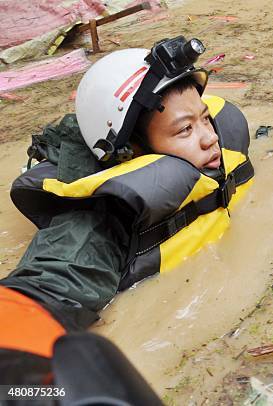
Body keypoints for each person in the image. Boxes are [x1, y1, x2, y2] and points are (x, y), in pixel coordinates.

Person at [0, 36, 254, 402]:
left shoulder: (215, 151)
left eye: (205, 119)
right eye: (185, 130)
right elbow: (35, 296)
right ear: (133, 152)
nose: (210, 138)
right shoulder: (95, 226)